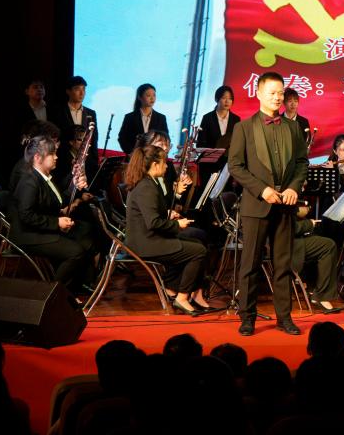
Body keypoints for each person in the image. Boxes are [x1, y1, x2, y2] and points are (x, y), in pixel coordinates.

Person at [228, 72, 309, 336]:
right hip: (256, 205)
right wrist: (261, 189)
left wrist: (294, 187)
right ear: (259, 94)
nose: (277, 97)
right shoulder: (243, 127)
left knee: (283, 264)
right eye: (272, 93)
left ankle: (284, 317)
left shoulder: (293, 127)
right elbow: (235, 166)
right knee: (250, 265)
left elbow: (302, 163)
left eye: (281, 93)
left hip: (285, 205)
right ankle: (247, 317)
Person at [124, 144, 210, 315]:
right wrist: (178, 225)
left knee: (195, 242)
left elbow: (152, 214)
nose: (166, 166)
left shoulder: (149, 183)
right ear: (155, 164)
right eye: (164, 162)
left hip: (149, 238)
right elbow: (153, 223)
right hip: (145, 243)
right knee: (198, 251)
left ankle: (173, 287)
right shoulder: (146, 187)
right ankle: (182, 298)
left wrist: (169, 215)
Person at [10, 136, 95, 293]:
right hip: (29, 236)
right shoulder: (29, 181)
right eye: (52, 154)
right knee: (75, 252)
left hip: (41, 230)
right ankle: (52, 293)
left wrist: (74, 185)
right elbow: (26, 216)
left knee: (87, 236)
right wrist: (57, 223)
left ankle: (81, 285)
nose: (56, 157)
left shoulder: (45, 177)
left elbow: (59, 201)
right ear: (37, 158)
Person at [52, 75, 99, 184]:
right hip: (64, 161)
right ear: (68, 91)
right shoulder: (58, 112)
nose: (82, 93)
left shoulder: (91, 113)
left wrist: (94, 161)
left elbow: (94, 139)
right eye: (77, 89)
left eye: (84, 89)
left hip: (86, 162)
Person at [118, 83, 168, 154]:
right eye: (148, 95)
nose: (152, 98)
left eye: (154, 95)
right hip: (134, 157)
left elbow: (165, 139)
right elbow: (122, 138)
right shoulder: (130, 117)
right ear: (139, 97)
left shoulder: (161, 118)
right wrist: (131, 153)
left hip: (153, 157)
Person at [197, 85, 241, 150]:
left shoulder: (236, 119)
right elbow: (200, 143)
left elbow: (239, 142)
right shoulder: (207, 118)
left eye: (230, 98)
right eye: (224, 98)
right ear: (216, 99)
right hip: (211, 155)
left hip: (230, 156)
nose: (227, 101)